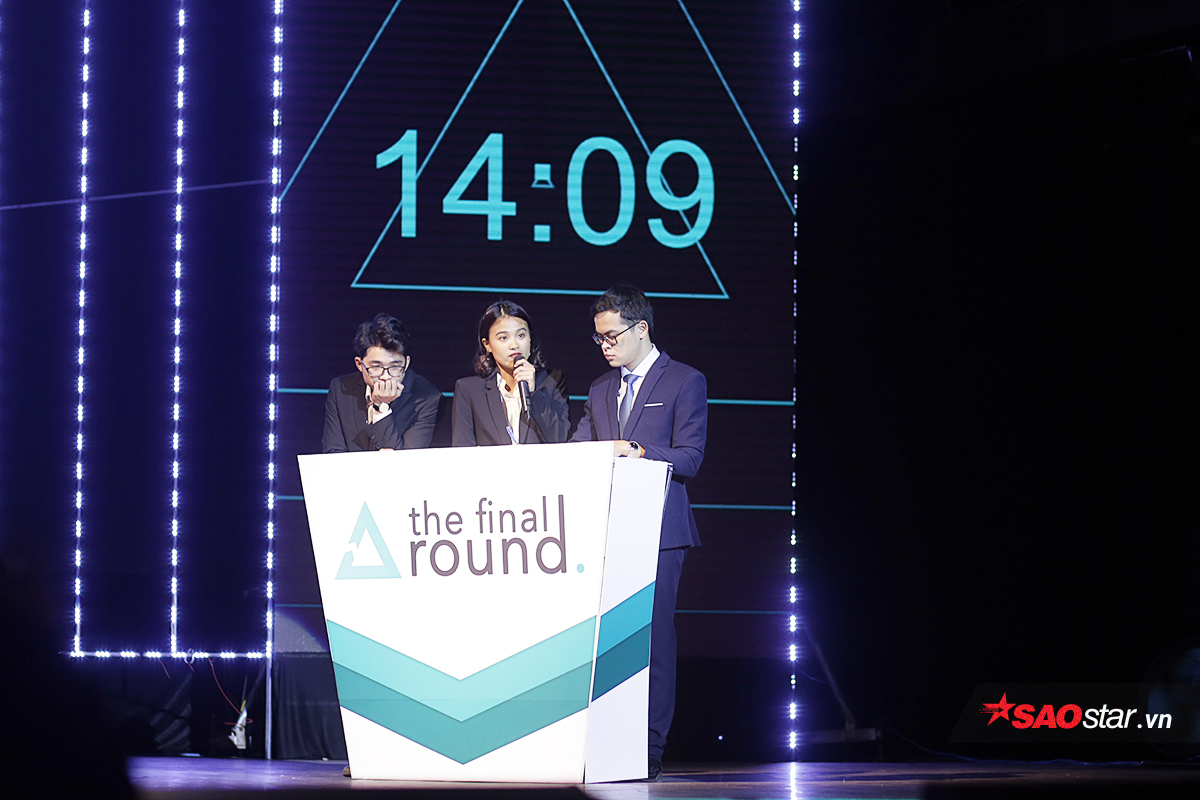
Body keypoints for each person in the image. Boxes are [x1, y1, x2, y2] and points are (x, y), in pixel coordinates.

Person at [569, 285, 707, 780]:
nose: (605, 346)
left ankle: (650, 745)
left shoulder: (685, 380)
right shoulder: (601, 388)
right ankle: (605, 741)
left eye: (612, 336)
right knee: (606, 640)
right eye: (599, 338)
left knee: (654, 639)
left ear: (641, 328)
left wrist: (639, 452)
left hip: (661, 530)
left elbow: (690, 457)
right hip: (608, 531)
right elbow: (582, 446)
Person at [452, 300, 569, 446]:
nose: (514, 345)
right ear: (487, 344)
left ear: (530, 339)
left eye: (521, 335)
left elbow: (561, 440)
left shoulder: (552, 381)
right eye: (503, 338)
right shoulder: (469, 390)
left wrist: (533, 393)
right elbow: (462, 449)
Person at [322, 313, 441, 453]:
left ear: (407, 363)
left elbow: (404, 460)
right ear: (359, 364)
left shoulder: (428, 398)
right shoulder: (340, 389)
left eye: (395, 367)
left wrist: (381, 408)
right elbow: (333, 453)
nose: (385, 377)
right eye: (376, 367)